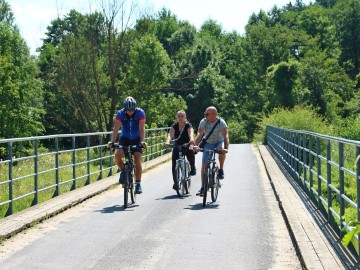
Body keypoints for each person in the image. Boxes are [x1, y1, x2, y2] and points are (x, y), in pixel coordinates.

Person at [108, 96, 146, 194]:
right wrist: (112, 141)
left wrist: (142, 142)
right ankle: (123, 171)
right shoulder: (120, 113)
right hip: (124, 138)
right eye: (128, 110)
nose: (130, 112)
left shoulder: (140, 113)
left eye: (132, 110)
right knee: (117, 155)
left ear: (135, 108)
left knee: (137, 157)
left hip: (136, 138)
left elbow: (142, 128)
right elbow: (116, 128)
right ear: (125, 108)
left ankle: (138, 184)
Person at [194, 106, 229, 196]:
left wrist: (226, 148)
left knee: (221, 150)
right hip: (208, 142)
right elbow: (200, 133)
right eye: (205, 114)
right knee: (204, 165)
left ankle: (221, 169)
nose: (205, 115)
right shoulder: (203, 121)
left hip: (219, 141)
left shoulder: (221, 122)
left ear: (214, 115)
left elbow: (226, 136)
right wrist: (195, 145)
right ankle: (203, 187)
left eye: (207, 114)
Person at [165, 110, 197, 190]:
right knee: (174, 164)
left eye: (182, 116)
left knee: (190, 151)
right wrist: (167, 142)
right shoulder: (174, 126)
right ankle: (176, 183)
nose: (180, 118)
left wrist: (192, 140)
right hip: (177, 145)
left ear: (185, 117)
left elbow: (191, 133)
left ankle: (192, 166)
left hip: (186, 144)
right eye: (178, 116)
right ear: (176, 118)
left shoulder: (188, 125)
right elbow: (170, 135)